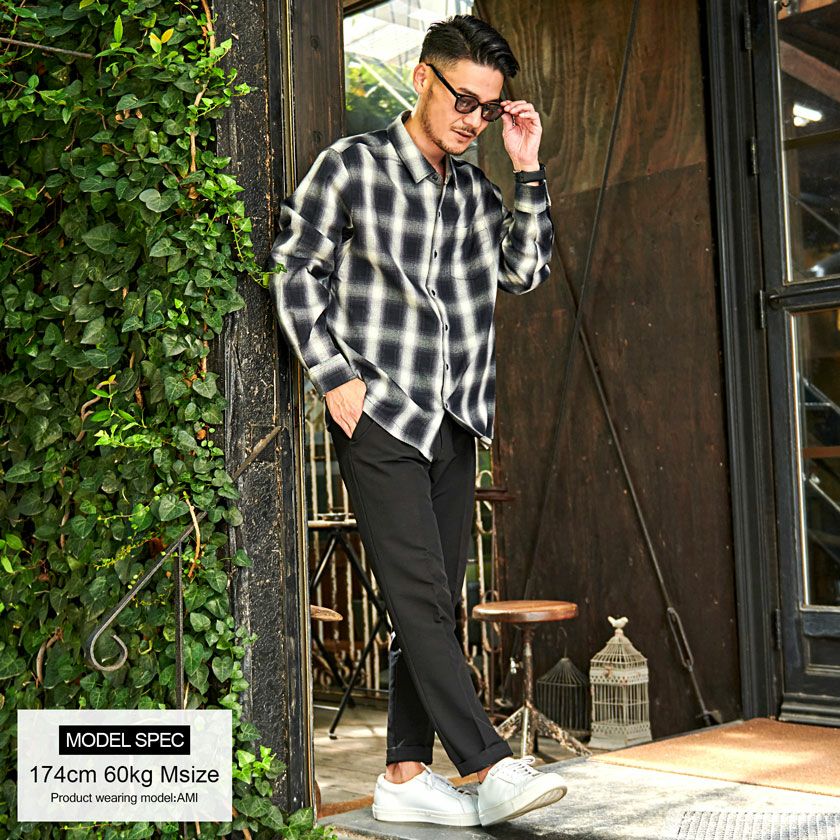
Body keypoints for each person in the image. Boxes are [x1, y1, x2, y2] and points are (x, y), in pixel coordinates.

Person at [269, 13, 564, 828]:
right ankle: (488, 763)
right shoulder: (352, 167)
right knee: (423, 597)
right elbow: (294, 267)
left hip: (456, 419)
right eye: (463, 100)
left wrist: (527, 168)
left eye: (488, 109)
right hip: (381, 415)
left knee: (433, 602)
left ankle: (403, 772)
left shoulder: (477, 193)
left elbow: (525, 271)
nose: (474, 120)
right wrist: (334, 376)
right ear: (423, 78)